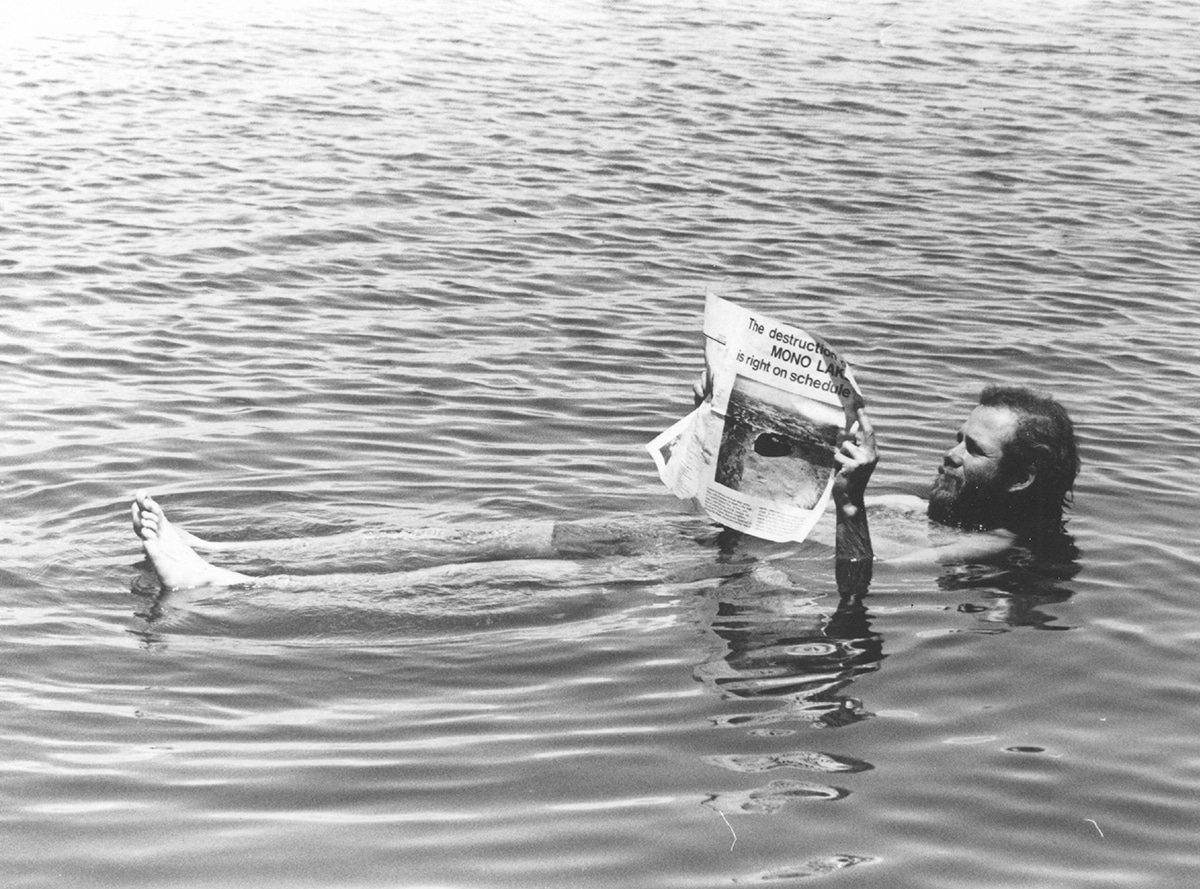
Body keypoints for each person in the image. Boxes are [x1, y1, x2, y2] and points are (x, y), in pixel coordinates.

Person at [130, 384, 1078, 590]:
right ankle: (235, 551)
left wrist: (857, 497)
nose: (950, 455)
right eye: (956, 439)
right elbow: (778, 509)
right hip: (687, 539)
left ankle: (239, 593)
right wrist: (730, 424)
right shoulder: (919, 504)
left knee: (499, 581)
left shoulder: (989, 550)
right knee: (490, 534)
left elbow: (854, 584)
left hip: (691, 580)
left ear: (1023, 474)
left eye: (974, 450)